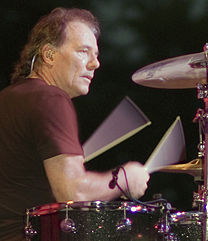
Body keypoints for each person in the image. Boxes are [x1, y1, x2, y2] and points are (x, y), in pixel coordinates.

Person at [0, 7, 150, 241]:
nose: (95, 64)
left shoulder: (8, 98)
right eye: (83, 52)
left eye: (96, 54)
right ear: (49, 55)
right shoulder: (51, 99)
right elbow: (73, 192)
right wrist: (124, 179)